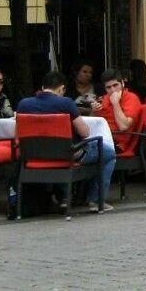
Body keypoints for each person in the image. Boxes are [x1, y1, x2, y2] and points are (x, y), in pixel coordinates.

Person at [16, 71, 116, 212]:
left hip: (34, 156)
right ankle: (96, 201)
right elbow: (85, 132)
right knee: (109, 153)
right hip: (67, 155)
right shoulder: (66, 103)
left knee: (62, 149)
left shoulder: (23, 104)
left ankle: (64, 199)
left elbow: (18, 133)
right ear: (62, 88)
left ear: (43, 86)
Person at [96, 69, 145, 156]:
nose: (113, 90)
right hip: (100, 138)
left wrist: (115, 103)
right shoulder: (104, 99)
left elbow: (123, 126)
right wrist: (94, 112)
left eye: (115, 85)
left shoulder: (132, 98)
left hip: (117, 143)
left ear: (122, 83)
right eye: (108, 87)